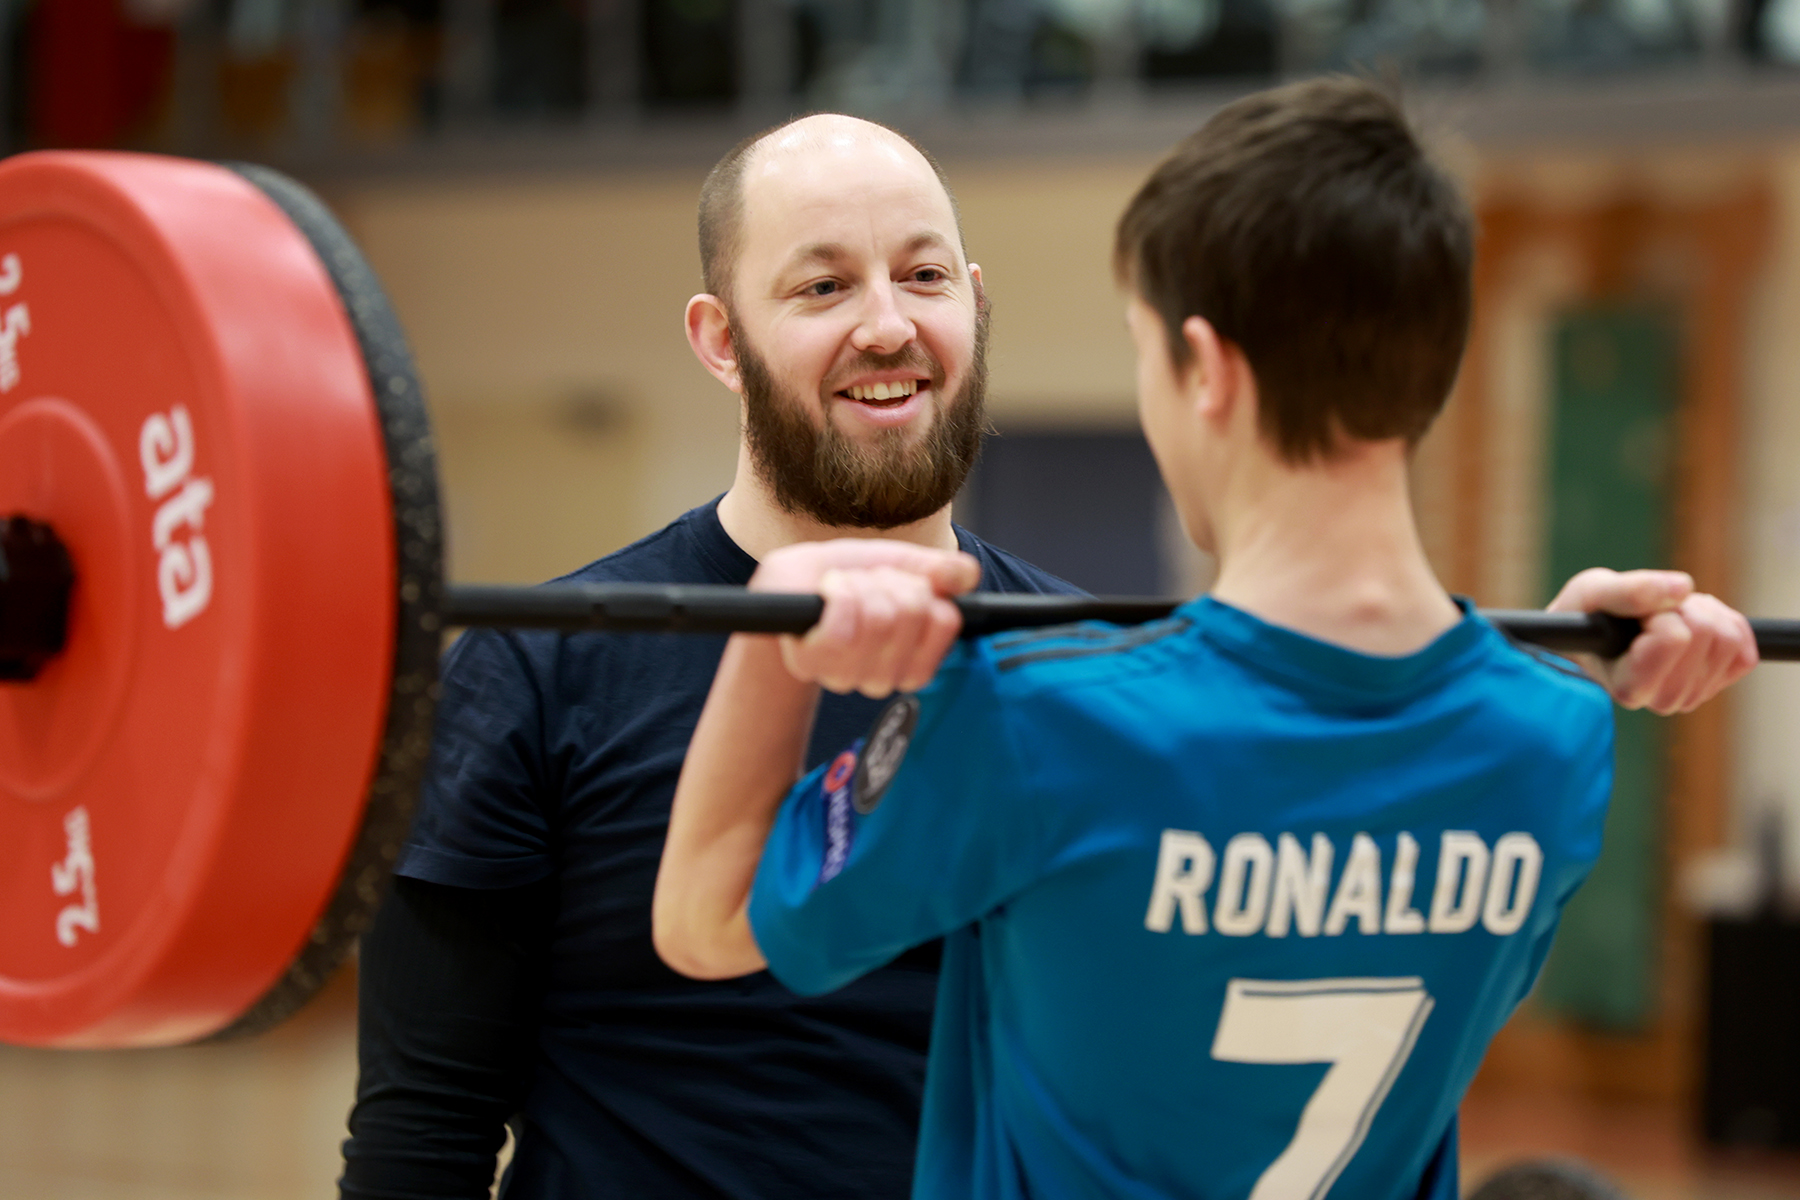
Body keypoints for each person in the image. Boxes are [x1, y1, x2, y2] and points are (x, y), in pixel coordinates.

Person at [341, 110, 1757, 1200]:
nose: (888, 323)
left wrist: (1547, 655)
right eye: (822, 285)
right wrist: (1530, 689)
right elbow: (424, 1121)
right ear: (721, 341)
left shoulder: (1079, 683)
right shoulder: (531, 672)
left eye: (922, 274)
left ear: (978, 302)